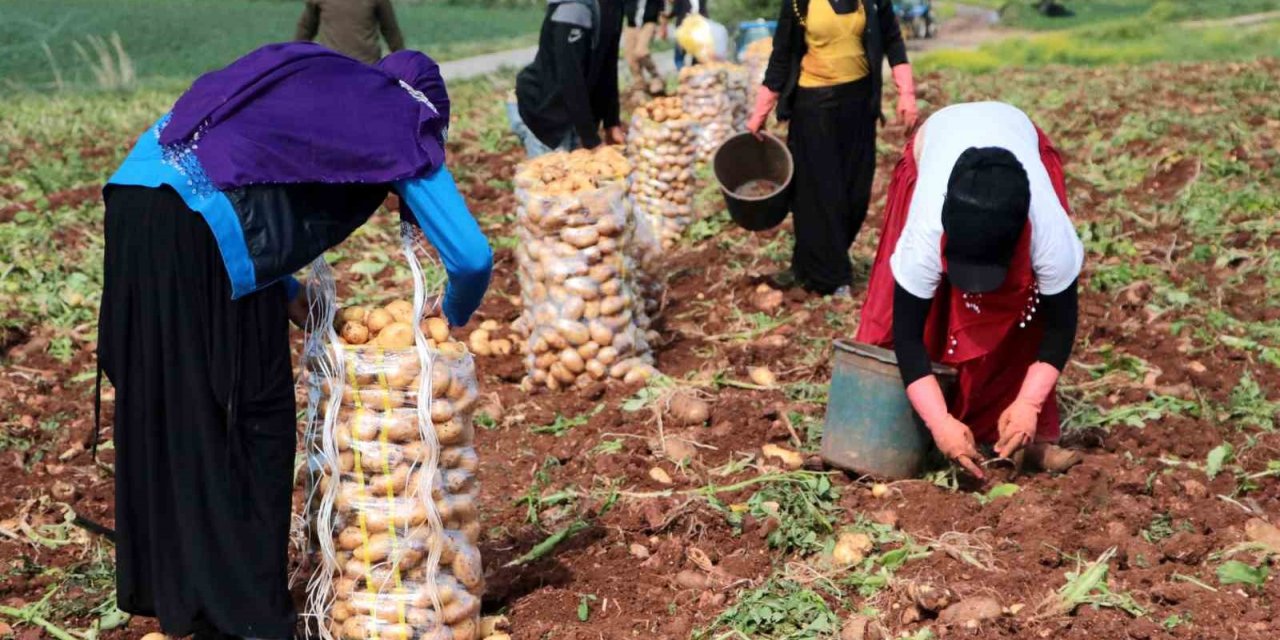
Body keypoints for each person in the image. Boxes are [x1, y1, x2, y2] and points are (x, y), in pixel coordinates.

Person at [97, 43, 492, 640]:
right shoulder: (403, 119)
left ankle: (180, 593)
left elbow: (245, 184)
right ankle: (248, 615)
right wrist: (450, 316)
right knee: (251, 415)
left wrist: (291, 299)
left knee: (169, 402)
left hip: (133, 206)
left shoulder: (319, 95)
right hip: (197, 224)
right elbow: (470, 256)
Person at [855, 101, 1085, 479]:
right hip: (937, 138)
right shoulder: (926, 230)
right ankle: (929, 429)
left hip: (1015, 135)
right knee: (911, 319)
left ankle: (1015, 434)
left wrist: (1029, 402)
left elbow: (1060, 326)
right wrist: (938, 421)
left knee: (1024, 322)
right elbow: (906, 337)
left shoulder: (1050, 234)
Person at [747, 0, 918, 298]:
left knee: (856, 193)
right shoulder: (799, 3)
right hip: (813, 107)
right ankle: (832, 277)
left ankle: (807, 265)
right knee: (821, 195)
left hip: (859, 105)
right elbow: (782, 55)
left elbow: (892, 39)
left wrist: (907, 94)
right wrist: (761, 111)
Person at [511, 0, 625, 157]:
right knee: (553, 177)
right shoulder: (573, 7)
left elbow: (608, 64)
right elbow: (570, 75)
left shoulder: (613, 5)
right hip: (545, 112)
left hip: (574, 112)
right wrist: (591, 140)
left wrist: (611, 122)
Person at [295, 0, 406, 64]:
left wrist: (403, 62)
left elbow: (391, 32)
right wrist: (295, 57)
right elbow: (306, 29)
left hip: (366, 67)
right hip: (332, 65)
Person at [622, 0, 665, 94]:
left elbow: (661, 9)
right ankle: (640, 84)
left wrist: (662, 27)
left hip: (649, 23)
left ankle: (656, 76)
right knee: (630, 58)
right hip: (631, 24)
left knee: (641, 52)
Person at [668, 0, 709, 70]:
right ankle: (691, 73)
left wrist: (667, 16)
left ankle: (684, 73)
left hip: (685, 30)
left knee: (679, 57)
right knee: (697, 56)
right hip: (697, 30)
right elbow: (704, 13)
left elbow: (675, 10)